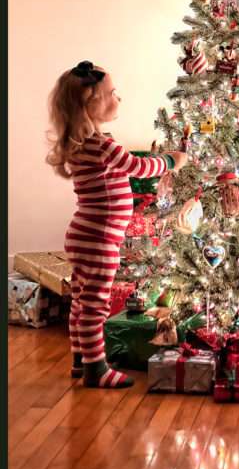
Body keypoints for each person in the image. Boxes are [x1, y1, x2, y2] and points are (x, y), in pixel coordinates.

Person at [46, 61, 188, 388]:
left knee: (81, 300)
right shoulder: (100, 144)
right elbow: (137, 166)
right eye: (111, 94)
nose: (117, 99)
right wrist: (171, 161)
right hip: (99, 239)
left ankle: (81, 359)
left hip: (84, 233)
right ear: (89, 104)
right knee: (95, 305)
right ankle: (96, 368)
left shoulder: (82, 143)